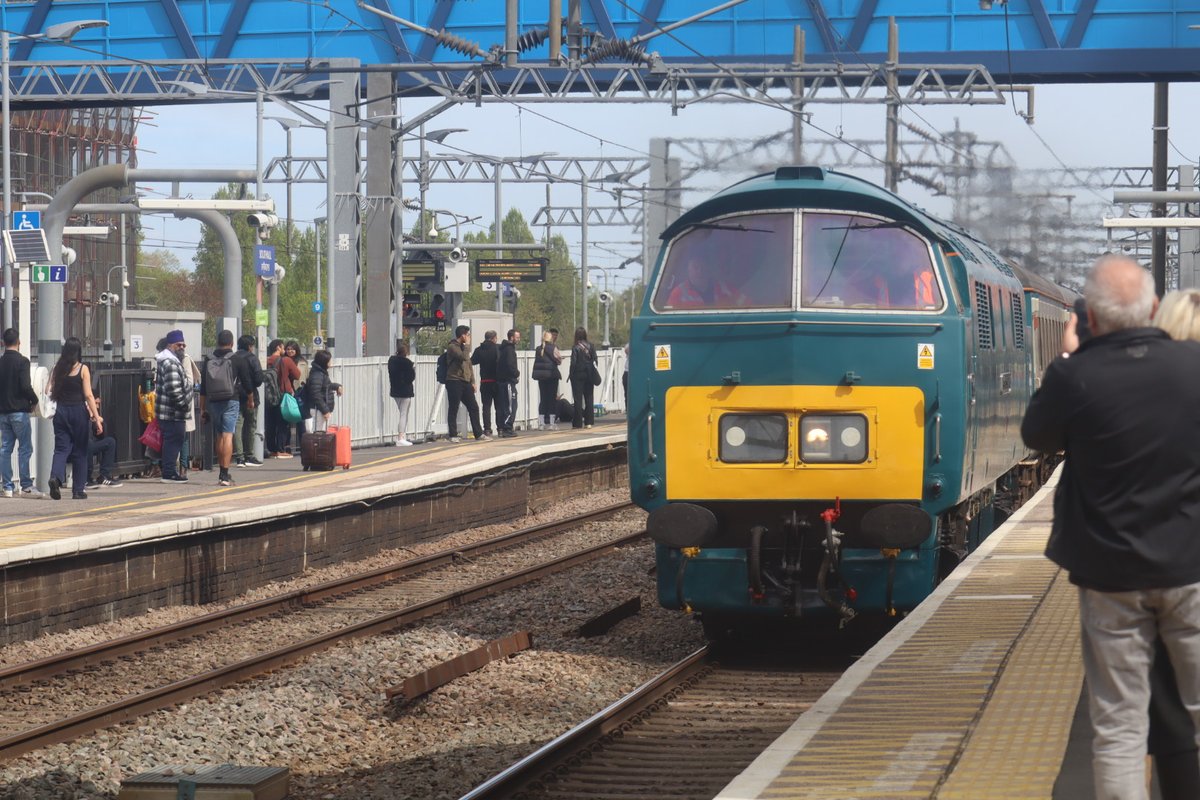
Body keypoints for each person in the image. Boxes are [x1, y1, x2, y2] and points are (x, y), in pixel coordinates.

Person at [1021, 254, 1200, 800]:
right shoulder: (1192, 367)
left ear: (1090, 318)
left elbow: (1036, 437)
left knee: (1119, 725)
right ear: (1150, 308)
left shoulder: (1074, 378)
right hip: (1189, 569)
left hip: (1110, 578)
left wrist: (1070, 359)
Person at [46, 337, 102, 500]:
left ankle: (55, 477)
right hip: (78, 411)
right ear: (79, 351)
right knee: (80, 451)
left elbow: (47, 389)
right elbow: (89, 395)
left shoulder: (57, 368)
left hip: (61, 411)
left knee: (61, 449)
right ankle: (78, 490)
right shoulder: (82, 369)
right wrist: (97, 418)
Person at [0, 328, 39, 498]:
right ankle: (26, 486)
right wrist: (35, 400)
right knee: (24, 448)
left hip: (3, 413)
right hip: (20, 412)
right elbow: (25, 386)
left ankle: (7, 487)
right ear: (19, 342)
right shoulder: (23, 362)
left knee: (5, 449)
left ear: (3, 343)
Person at [200, 329, 240, 488]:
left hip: (213, 401)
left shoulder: (208, 359)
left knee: (219, 436)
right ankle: (225, 473)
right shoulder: (236, 359)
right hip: (231, 400)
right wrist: (250, 399)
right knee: (227, 436)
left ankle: (221, 473)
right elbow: (246, 382)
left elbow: (203, 387)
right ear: (232, 343)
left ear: (217, 342)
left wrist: (202, 409)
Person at [155, 330, 193, 485]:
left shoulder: (170, 360)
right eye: (179, 344)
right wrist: (184, 406)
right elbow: (175, 390)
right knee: (173, 441)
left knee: (173, 441)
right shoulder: (170, 363)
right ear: (170, 345)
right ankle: (169, 473)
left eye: (183, 344)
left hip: (170, 412)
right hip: (172, 412)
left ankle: (170, 471)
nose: (182, 347)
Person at [443, 325, 488, 443]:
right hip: (454, 380)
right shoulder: (453, 347)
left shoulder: (464, 348)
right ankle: (453, 434)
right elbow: (463, 357)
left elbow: (469, 365)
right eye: (467, 335)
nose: (469, 337)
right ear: (462, 335)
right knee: (454, 407)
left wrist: (472, 381)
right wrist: (467, 345)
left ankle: (479, 433)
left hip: (465, 381)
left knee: (473, 406)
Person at [230, 334, 264, 467]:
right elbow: (259, 379)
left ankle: (239, 457)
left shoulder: (233, 358)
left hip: (234, 396)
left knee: (237, 426)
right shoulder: (252, 358)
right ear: (250, 346)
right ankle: (249, 455)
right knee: (251, 425)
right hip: (251, 396)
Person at [665, 254, 745, 308]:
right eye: (695, 267)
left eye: (703, 267)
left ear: (708, 269)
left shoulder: (726, 288)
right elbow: (668, 319)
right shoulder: (678, 293)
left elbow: (748, 306)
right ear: (688, 271)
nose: (700, 271)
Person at [85, 395, 122, 489]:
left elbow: (101, 436)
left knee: (110, 442)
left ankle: (104, 476)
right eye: (95, 403)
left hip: (90, 444)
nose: (97, 407)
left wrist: (99, 424)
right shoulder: (82, 413)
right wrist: (89, 419)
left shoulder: (94, 417)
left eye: (98, 404)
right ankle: (86, 478)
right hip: (79, 445)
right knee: (88, 443)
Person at [303, 349, 342, 433]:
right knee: (318, 435)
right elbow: (315, 393)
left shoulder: (320, 373)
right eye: (329, 360)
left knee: (320, 433)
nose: (331, 361)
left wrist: (337, 386)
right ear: (324, 361)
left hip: (320, 409)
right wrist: (325, 410)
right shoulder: (317, 374)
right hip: (318, 409)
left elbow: (326, 386)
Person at [471, 330, 501, 437]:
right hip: (496, 381)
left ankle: (487, 429)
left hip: (484, 381)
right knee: (499, 406)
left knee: (486, 407)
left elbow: (472, 362)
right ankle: (500, 428)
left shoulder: (479, 350)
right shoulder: (498, 348)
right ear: (494, 338)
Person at [568, 327, 598, 429]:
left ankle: (578, 423)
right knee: (589, 398)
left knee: (578, 399)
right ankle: (589, 422)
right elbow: (595, 360)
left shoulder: (575, 347)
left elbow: (573, 363)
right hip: (589, 375)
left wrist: (570, 375)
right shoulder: (591, 346)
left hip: (577, 376)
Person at [531, 328, 561, 430]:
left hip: (541, 377)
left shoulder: (538, 349)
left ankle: (541, 423)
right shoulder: (553, 348)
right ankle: (552, 423)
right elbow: (559, 360)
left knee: (543, 399)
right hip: (552, 376)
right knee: (552, 399)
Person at [277, 340, 303, 457]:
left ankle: (286, 446)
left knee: (288, 420)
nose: (289, 351)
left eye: (292, 349)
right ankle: (284, 447)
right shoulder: (286, 360)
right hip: (288, 393)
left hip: (287, 393)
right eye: (287, 348)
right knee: (286, 420)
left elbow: (299, 376)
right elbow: (297, 375)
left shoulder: (275, 360)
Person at [388, 340, 416, 446]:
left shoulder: (391, 361)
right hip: (405, 391)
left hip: (395, 390)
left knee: (402, 413)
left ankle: (402, 436)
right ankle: (401, 437)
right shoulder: (407, 363)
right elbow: (411, 377)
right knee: (404, 414)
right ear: (406, 352)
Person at [262, 339, 285, 458]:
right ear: (278, 348)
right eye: (283, 347)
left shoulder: (264, 360)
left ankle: (270, 448)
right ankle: (279, 449)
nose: (284, 349)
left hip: (266, 396)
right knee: (281, 423)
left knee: (269, 423)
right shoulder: (281, 361)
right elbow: (291, 376)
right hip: (278, 395)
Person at [496, 329, 520, 437]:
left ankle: (503, 427)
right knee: (511, 406)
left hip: (502, 382)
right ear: (511, 337)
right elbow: (511, 366)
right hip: (508, 382)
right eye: (517, 337)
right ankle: (507, 428)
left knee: (504, 405)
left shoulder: (503, 349)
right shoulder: (509, 350)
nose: (518, 340)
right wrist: (516, 373)